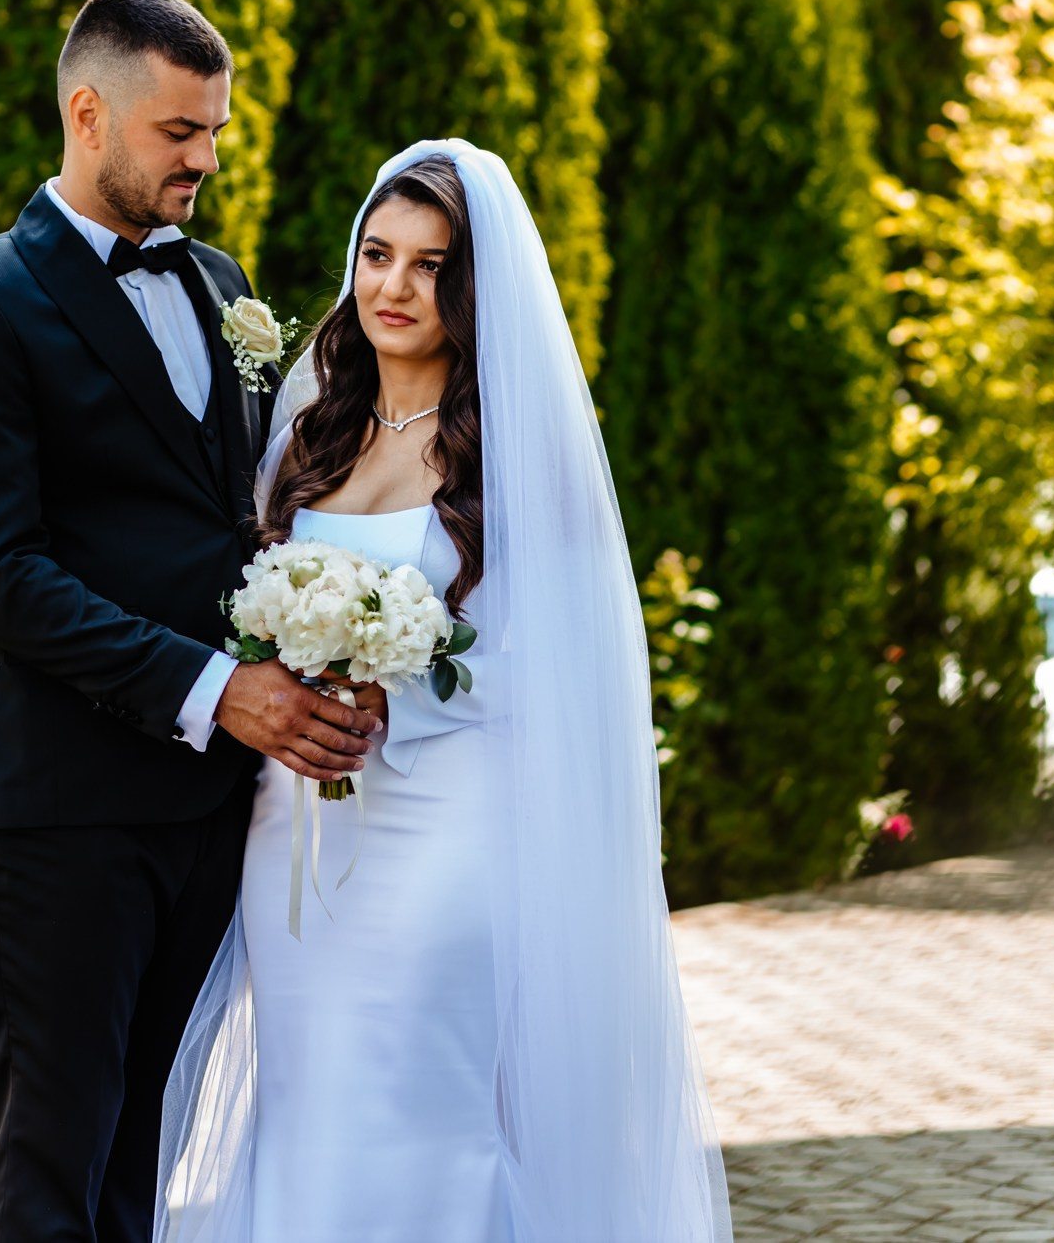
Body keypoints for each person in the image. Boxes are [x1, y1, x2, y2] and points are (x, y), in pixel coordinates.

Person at [155, 141, 733, 1243]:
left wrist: (400, 698)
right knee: (310, 1101)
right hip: (296, 834)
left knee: (419, 1097)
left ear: (470, 289)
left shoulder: (514, 454)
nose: (394, 287)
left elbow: (561, 665)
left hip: (447, 829)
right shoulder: (307, 434)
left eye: (430, 266)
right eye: (378, 256)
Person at [0, 0, 382, 1243]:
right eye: (178, 132)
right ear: (87, 114)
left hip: (212, 804)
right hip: (61, 810)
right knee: (52, 1177)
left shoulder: (221, 282)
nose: (204, 159)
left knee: (145, 1169)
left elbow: (240, 517)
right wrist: (217, 689)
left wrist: (331, 629)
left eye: (214, 131)